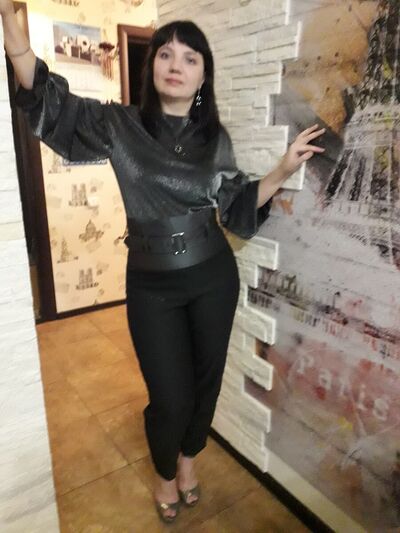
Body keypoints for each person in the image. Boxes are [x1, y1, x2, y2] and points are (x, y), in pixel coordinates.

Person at [1, 1, 325, 524]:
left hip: (212, 275)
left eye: (190, 58)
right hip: (151, 285)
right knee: (169, 397)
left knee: (206, 383)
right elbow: (47, 100)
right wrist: (10, 26)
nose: (176, 65)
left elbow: (236, 205)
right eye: (166, 54)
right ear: (152, 66)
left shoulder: (214, 139)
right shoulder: (119, 124)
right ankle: (163, 470)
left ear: (203, 76)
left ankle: (188, 462)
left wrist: (283, 169)